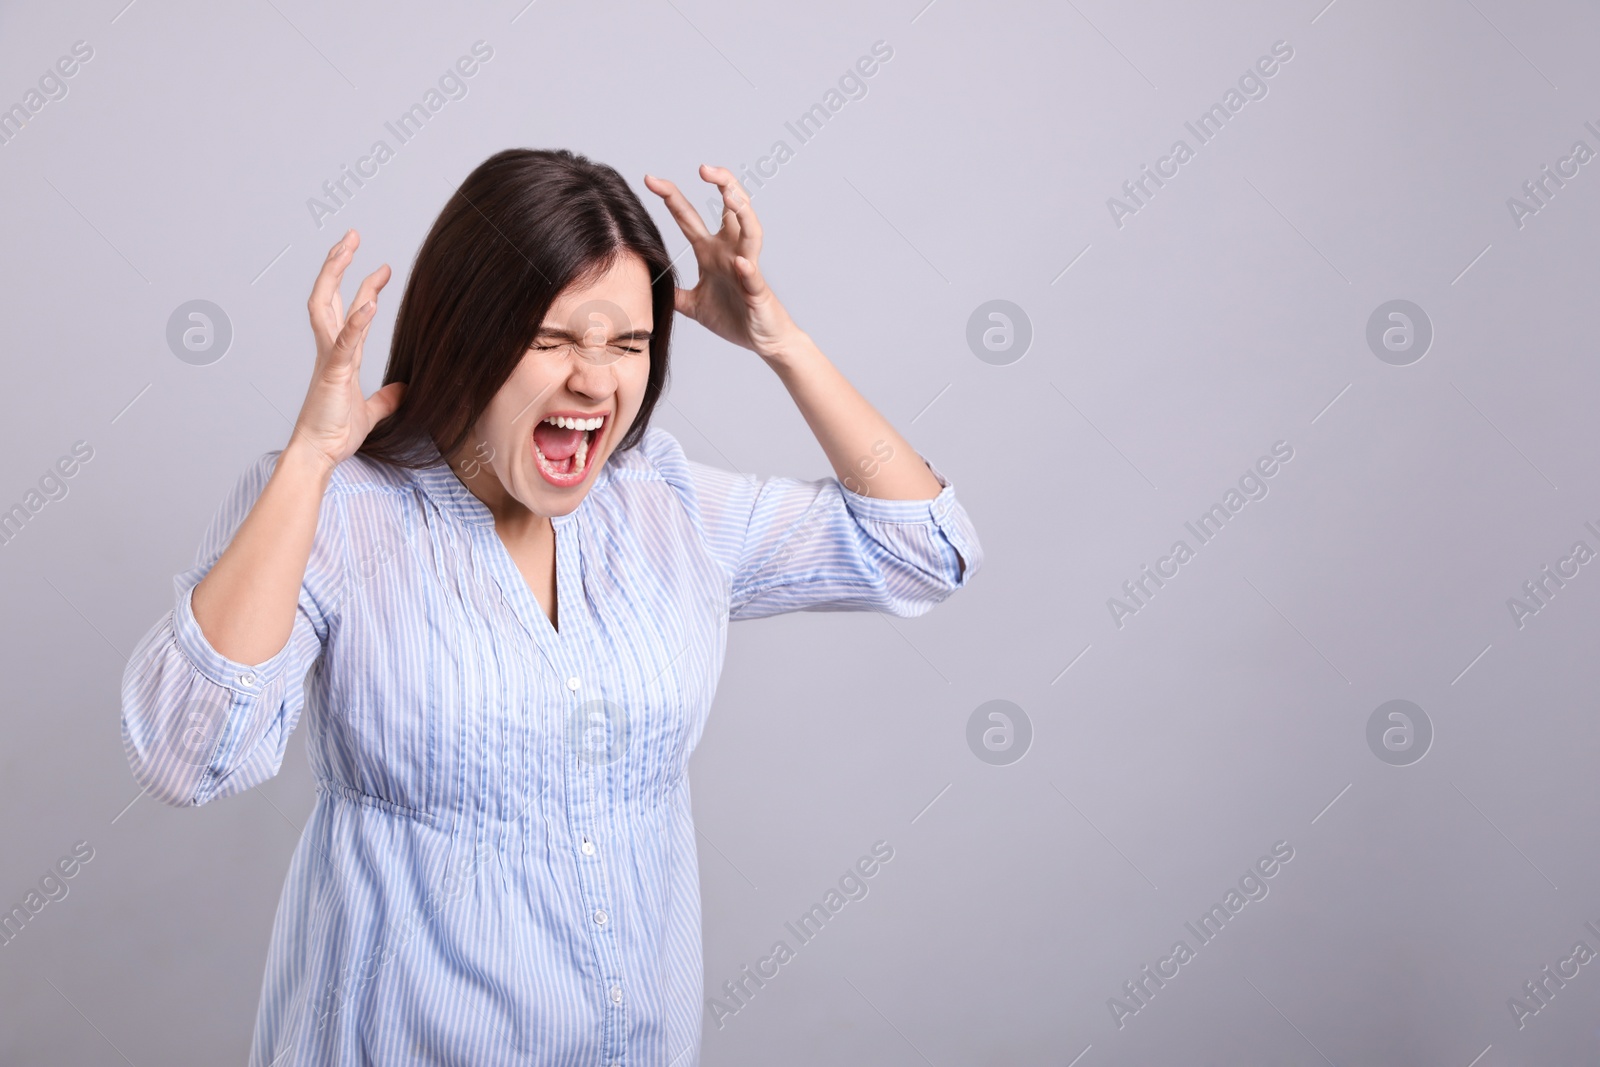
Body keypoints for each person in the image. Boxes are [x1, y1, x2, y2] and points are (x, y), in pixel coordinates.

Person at [120, 147, 982, 1065]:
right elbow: (185, 753)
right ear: (466, 333)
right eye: (553, 339)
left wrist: (781, 340)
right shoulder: (335, 513)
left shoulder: (664, 503)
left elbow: (926, 551)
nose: (595, 381)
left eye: (629, 344)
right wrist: (307, 460)